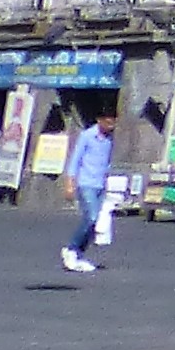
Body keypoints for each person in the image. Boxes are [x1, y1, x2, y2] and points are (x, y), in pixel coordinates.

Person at [61, 109, 116, 274]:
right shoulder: (87, 136)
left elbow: (106, 163)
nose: (111, 126)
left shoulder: (109, 139)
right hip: (86, 183)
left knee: (95, 223)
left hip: (100, 184)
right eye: (108, 122)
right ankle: (71, 248)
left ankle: (78, 253)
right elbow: (75, 159)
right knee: (91, 217)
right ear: (99, 120)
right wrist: (70, 183)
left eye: (113, 122)